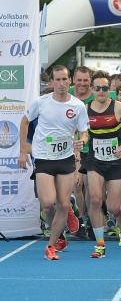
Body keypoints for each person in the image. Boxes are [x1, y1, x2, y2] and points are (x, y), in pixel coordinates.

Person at [19, 65, 89, 260]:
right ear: (51, 82)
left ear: (70, 81)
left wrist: (83, 140)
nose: (61, 83)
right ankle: (64, 221)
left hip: (65, 159)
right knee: (48, 203)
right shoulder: (41, 102)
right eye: (57, 80)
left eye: (64, 79)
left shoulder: (77, 106)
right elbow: (24, 122)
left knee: (63, 203)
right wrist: (23, 150)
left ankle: (52, 245)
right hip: (44, 158)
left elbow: (84, 131)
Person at [85, 71, 121, 258]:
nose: (101, 92)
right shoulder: (85, 109)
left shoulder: (119, 107)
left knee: (115, 208)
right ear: (92, 89)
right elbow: (80, 132)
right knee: (94, 199)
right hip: (95, 160)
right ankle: (100, 244)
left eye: (105, 88)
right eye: (98, 88)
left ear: (110, 90)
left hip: (115, 162)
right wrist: (81, 142)